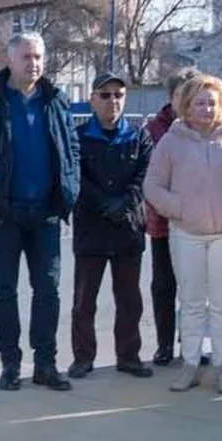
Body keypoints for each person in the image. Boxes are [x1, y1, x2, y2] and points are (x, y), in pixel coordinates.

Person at [0, 32, 81, 392]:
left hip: (45, 213)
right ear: (11, 60)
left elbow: (70, 149)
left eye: (39, 57)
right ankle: (10, 364)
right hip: (4, 214)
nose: (34, 63)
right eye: (27, 57)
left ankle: (46, 363)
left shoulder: (55, 100)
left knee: (47, 289)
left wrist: (69, 190)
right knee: (4, 291)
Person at [144, 74, 222, 394]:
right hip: (186, 233)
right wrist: (176, 207)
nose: (207, 108)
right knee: (193, 302)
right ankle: (191, 365)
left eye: (212, 102)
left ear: (221, 104)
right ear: (186, 105)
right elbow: (152, 185)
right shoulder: (171, 141)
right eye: (200, 102)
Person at [67, 73, 155, 381]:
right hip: (91, 227)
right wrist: (103, 202)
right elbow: (76, 175)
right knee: (83, 300)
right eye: (105, 95)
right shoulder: (78, 136)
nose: (112, 101)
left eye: (118, 95)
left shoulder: (139, 136)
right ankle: (82, 357)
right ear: (92, 99)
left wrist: (125, 203)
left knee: (130, 299)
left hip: (127, 228)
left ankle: (129, 356)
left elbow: (145, 175)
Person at [143, 70, 191, 365]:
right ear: (171, 97)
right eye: (181, 95)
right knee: (164, 285)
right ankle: (164, 345)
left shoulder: (207, 127)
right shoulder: (154, 129)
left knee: (195, 287)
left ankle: (192, 344)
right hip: (163, 220)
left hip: (198, 222)